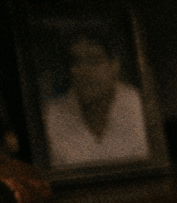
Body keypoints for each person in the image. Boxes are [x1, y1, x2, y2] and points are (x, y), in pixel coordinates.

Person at [42, 32, 150, 167]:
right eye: (76, 62)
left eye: (94, 61)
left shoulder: (140, 105)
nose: (84, 70)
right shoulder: (53, 115)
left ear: (114, 66)